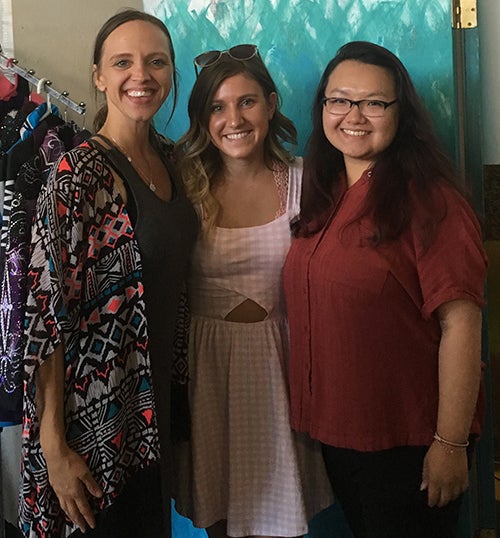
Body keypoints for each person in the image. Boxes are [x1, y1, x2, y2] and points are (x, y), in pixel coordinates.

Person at [283, 41, 488, 538]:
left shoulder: (430, 200)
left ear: (401, 113)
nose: (354, 115)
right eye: (339, 100)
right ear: (323, 108)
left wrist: (450, 444)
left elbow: (461, 322)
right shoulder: (324, 192)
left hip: (409, 440)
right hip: (339, 434)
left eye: (374, 102)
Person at [19, 9, 198, 538]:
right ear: (98, 76)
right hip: (91, 426)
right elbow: (43, 316)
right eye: (123, 62)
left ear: (170, 74)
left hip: (151, 414)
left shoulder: (173, 162)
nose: (140, 76)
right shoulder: (78, 175)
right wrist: (54, 448)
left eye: (156, 62)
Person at [174, 45, 332, 538]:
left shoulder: (307, 181)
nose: (233, 119)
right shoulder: (182, 186)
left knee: (278, 517)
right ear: (202, 119)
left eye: (246, 102)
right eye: (217, 107)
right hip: (208, 369)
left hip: (279, 366)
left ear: (271, 103)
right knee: (220, 517)